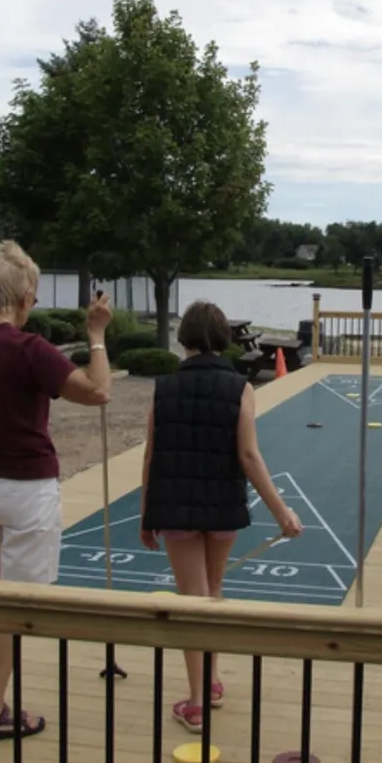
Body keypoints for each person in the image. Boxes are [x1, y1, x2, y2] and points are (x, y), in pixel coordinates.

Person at [0, 240, 113, 743]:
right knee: (14, 602)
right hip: (26, 488)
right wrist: (96, 336)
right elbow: (98, 391)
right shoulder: (29, 349)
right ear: (22, 297)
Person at [139, 300, 304, 734]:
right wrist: (281, 511)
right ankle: (210, 683)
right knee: (212, 592)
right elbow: (248, 455)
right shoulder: (240, 388)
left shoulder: (164, 387)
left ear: (184, 338)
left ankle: (195, 703)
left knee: (191, 600)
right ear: (223, 338)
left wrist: (146, 514)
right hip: (223, 503)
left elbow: (152, 454)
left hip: (176, 504)